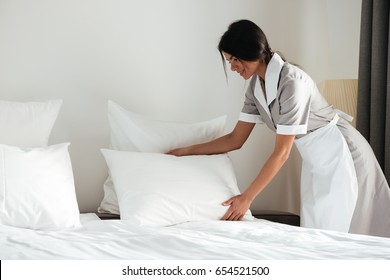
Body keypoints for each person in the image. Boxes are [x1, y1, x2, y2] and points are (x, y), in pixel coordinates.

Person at [168, 19, 390, 237]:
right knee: (319, 230)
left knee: (345, 227)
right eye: (229, 61)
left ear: (253, 51)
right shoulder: (255, 87)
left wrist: (246, 198)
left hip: (342, 152)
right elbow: (235, 139)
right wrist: (183, 152)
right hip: (316, 158)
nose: (233, 67)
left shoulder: (293, 82)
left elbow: (282, 152)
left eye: (235, 59)